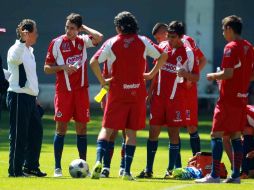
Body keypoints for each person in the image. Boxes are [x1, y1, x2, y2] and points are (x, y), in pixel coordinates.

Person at [89, 11, 168, 180]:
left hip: (117, 93)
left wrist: (103, 81)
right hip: (137, 93)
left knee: (107, 129)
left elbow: (93, 62)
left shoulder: (111, 42)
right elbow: (164, 55)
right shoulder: (144, 41)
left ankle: (98, 162)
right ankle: (126, 171)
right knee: (131, 133)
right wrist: (152, 74)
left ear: (118, 27)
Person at [195, 15, 254, 184]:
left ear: (229, 28)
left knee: (216, 135)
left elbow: (227, 73)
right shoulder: (249, 47)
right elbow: (251, 75)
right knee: (235, 135)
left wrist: (213, 76)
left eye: (223, 29)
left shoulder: (230, 47)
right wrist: (239, 82)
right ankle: (236, 175)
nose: (223, 33)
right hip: (242, 98)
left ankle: (214, 175)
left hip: (227, 99)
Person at [138, 21, 199, 179]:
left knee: (173, 134)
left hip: (175, 100)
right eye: (168, 36)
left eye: (172, 37)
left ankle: (170, 170)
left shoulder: (188, 53)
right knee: (153, 133)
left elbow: (196, 76)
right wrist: (150, 92)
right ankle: (148, 169)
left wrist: (184, 75)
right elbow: (156, 72)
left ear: (180, 37)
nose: (169, 40)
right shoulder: (163, 47)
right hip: (158, 99)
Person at [44, 13, 103, 177]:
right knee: (61, 128)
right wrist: (62, 67)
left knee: (82, 128)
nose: (68, 31)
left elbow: (99, 37)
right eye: (67, 27)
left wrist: (83, 28)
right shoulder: (56, 43)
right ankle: (57, 168)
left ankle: (83, 166)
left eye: (72, 28)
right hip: (64, 92)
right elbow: (47, 68)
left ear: (78, 29)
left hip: (81, 92)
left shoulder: (83, 41)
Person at [6, 19, 46, 177]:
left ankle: (30, 166)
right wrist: (22, 41)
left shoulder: (30, 51)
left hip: (30, 98)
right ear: (26, 33)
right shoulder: (16, 48)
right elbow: (14, 60)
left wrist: (34, 96)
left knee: (36, 132)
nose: (37, 35)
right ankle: (15, 171)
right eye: (34, 32)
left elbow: (30, 76)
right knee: (19, 135)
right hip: (17, 96)